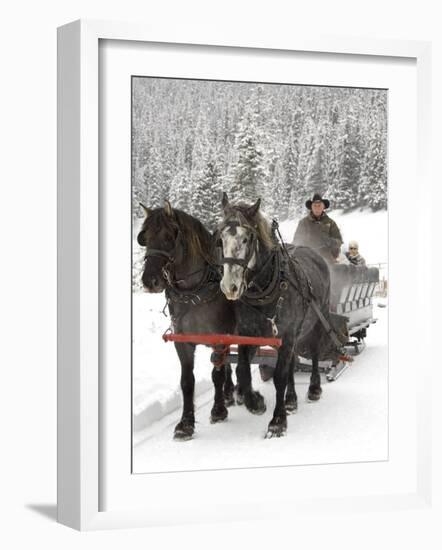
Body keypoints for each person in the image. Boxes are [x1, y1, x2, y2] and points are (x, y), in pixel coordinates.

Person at [292, 193, 343, 264]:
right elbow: (296, 241)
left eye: (319, 206)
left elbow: (339, 241)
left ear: (323, 207)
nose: (317, 208)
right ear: (311, 207)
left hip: (327, 259)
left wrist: (330, 241)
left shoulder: (331, 223)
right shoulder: (303, 223)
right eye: (315, 206)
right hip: (307, 258)